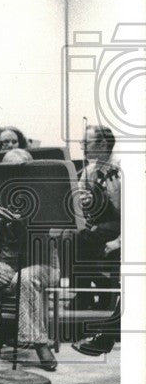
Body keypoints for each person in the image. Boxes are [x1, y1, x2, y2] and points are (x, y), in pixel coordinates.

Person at [0, 149, 58, 370]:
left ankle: (40, 344)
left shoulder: (46, 193)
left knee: (25, 278)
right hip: (8, 263)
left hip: (44, 264)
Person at [71, 125, 121, 309]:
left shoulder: (124, 167)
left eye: (86, 142)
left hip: (122, 226)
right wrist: (85, 203)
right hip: (99, 226)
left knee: (83, 239)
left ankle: (94, 293)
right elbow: (79, 205)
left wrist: (119, 242)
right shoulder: (89, 170)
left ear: (103, 144)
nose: (82, 147)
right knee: (69, 237)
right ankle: (87, 293)